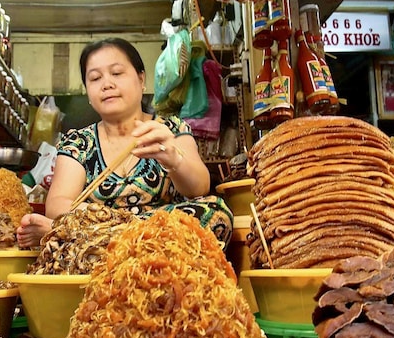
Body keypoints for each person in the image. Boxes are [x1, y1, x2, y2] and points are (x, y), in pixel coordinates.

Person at [16, 38, 232, 248]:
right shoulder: (78, 142)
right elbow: (58, 205)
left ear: (141, 79)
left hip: (158, 238)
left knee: (215, 211)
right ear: (88, 92)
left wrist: (174, 158)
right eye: (95, 78)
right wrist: (118, 221)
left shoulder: (170, 128)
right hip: (113, 248)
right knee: (64, 222)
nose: (107, 84)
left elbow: (200, 188)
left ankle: (102, 238)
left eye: (117, 73)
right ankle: (116, 240)